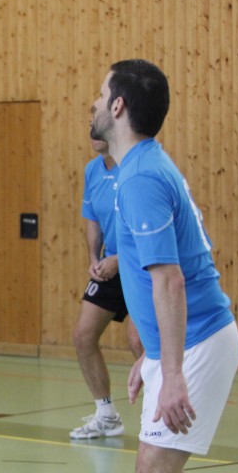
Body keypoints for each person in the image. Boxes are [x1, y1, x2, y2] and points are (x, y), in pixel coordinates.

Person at [89, 59, 238, 473]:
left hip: (198, 339)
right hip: (186, 341)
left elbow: (170, 280)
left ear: (119, 106)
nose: (93, 102)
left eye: (101, 93)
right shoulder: (139, 169)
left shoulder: (142, 178)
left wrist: (172, 372)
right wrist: (152, 357)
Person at [70, 137, 143, 439]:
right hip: (110, 264)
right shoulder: (92, 170)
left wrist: (120, 259)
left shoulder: (136, 169)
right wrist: (93, 257)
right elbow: (93, 220)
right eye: (89, 127)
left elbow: (147, 228)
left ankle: (164, 416)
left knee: (139, 342)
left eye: (97, 125)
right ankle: (106, 415)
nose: (92, 132)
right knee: (83, 336)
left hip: (140, 265)